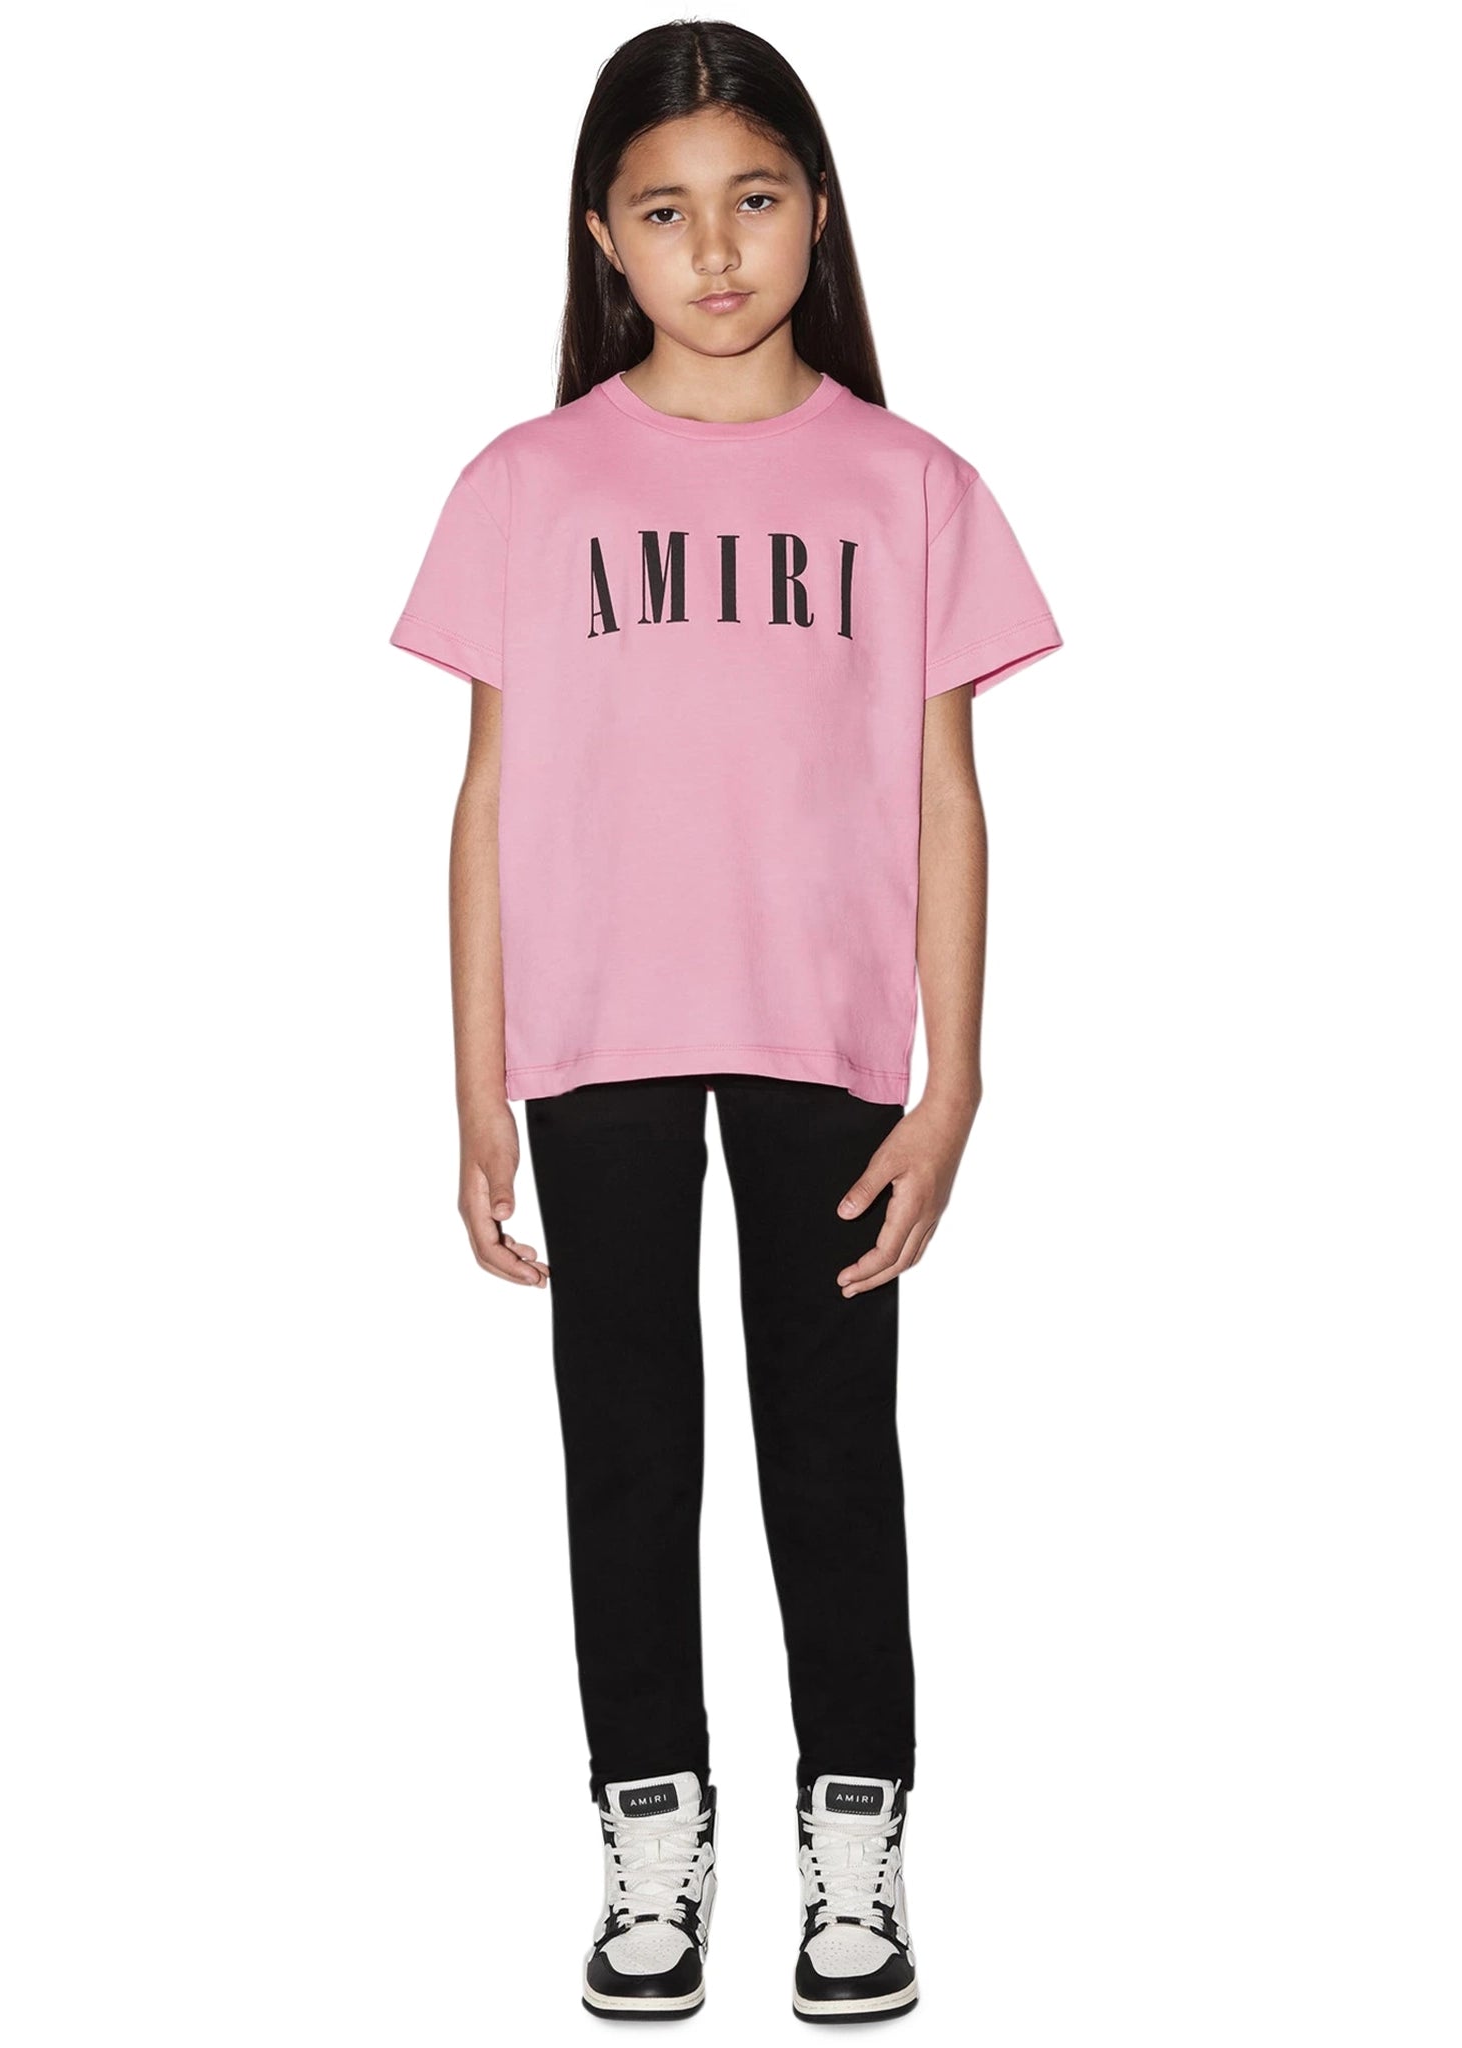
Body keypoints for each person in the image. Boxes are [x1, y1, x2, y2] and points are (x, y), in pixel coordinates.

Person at [387, 20, 1064, 2025]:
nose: (714, 250)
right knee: (626, 1448)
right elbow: (487, 792)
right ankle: (649, 1841)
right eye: (666, 211)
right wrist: (474, 1079)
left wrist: (956, 1080)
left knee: (832, 1450)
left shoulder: (909, 485)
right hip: (592, 1032)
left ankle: (854, 1854)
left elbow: (946, 796)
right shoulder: (525, 486)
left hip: (825, 1032)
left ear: (816, 211)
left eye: (753, 200)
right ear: (602, 236)